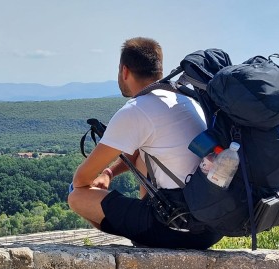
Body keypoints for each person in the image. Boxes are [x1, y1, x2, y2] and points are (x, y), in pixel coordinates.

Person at [67, 37, 222, 249]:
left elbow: (80, 180)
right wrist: (109, 173)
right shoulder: (185, 98)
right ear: (159, 70)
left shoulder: (137, 109)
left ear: (124, 71)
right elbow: (141, 151)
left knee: (76, 196)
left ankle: (145, 238)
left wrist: (95, 179)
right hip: (211, 224)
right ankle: (146, 230)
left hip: (180, 228)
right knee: (143, 155)